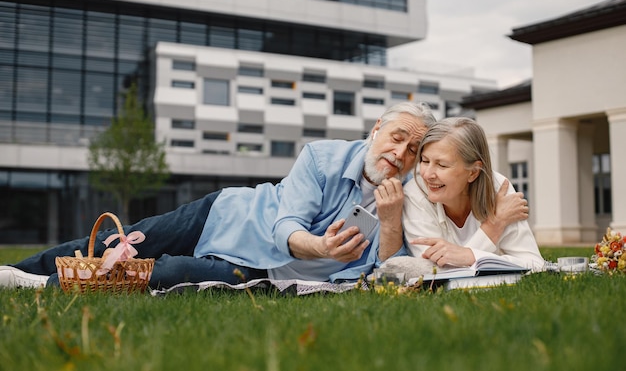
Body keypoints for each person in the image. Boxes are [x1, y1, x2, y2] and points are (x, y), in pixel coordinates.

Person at [0, 102, 436, 290]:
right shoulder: (322, 158)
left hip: (260, 271)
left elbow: (386, 269)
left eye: (414, 150)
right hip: (229, 216)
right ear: (377, 128)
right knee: (124, 241)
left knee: (164, 273)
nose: (401, 154)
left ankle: (50, 286)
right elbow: (286, 227)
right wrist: (321, 247)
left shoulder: (405, 197)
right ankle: (19, 273)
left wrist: (391, 217)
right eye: (397, 137)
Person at [399, 117, 544, 273]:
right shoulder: (414, 193)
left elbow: (535, 264)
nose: (427, 174)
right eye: (425, 161)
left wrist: (468, 255)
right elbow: (432, 272)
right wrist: (493, 226)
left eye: (442, 165)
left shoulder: (498, 189)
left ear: (473, 172)